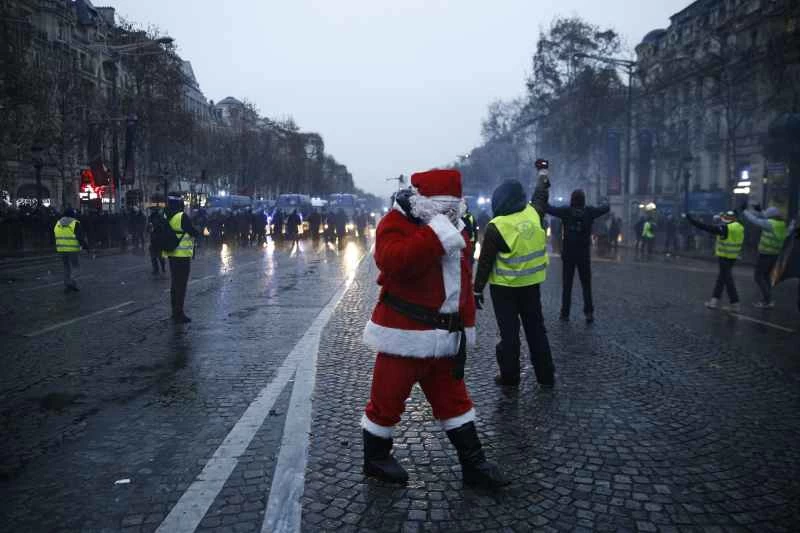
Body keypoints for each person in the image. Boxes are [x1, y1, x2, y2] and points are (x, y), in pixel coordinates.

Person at [361, 168, 507, 489]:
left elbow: (461, 282)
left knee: (455, 401)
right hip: (404, 335)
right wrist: (436, 235)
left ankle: (473, 463)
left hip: (445, 338)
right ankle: (375, 458)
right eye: (443, 210)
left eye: (453, 210)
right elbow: (392, 261)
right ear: (425, 203)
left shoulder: (458, 226)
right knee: (386, 400)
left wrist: (465, 326)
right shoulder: (396, 222)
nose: (449, 216)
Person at [474, 172, 555, 388]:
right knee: (536, 330)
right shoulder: (533, 213)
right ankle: (546, 376)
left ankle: (510, 377)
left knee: (509, 335)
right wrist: (542, 180)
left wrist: (477, 290)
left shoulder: (497, 225)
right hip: (531, 285)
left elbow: (485, 263)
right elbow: (539, 198)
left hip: (504, 289)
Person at [545, 189, 609, 322]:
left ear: (572, 199)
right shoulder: (590, 212)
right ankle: (589, 312)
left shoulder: (566, 211)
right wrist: (604, 199)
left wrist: (544, 194)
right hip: (583, 254)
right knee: (586, 285)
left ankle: (565, 313)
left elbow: (549, 208)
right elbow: (605, 208)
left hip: (568, 253)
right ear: (583, 200)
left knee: (567, 285)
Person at [686, 211, 744, 312]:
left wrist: (692, 221)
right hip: (733, 257)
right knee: (721, 279)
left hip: (724, 256)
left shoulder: (726, 228)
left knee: (727, 280)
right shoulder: (739, 226)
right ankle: (714, 301)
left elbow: (707, 228)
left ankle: (735, 303)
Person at [742, 206, 787, 309]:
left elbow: (755, 220)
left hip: (766, 254)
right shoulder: (781, 224)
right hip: (775, 254)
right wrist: (761, 211)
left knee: (758, 276)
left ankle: (768, 300)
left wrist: (744, 211)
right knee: (766, 277)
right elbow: (766, 218)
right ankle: (767, 300)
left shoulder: (770, 224)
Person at [163, 196, 200, 323]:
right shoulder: (181, 216)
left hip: (171, 253)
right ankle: (179, 313)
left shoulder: (166, 215)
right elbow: (193, 232)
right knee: (181, 286)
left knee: (174, 284)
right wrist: (198, 229)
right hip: (182, 255)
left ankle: (174, 311)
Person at [54, 207, 90, 292]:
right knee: (76, 267)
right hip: (72, 249)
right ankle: (72, 282)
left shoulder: (58, 223)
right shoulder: (75, 223)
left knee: (66, 267)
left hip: (61, 249)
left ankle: (67, 284)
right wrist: (86, 247)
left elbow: (55, 234)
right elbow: (80, 237)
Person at [148, 207, 167, 276]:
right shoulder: (151, 217)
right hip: (154, 239)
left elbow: (164, 227)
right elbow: (148, 228)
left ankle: (161, 268)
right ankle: (156, 269)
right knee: (154, 256)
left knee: (159, 256)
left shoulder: (161, 217)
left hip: (159, 239)